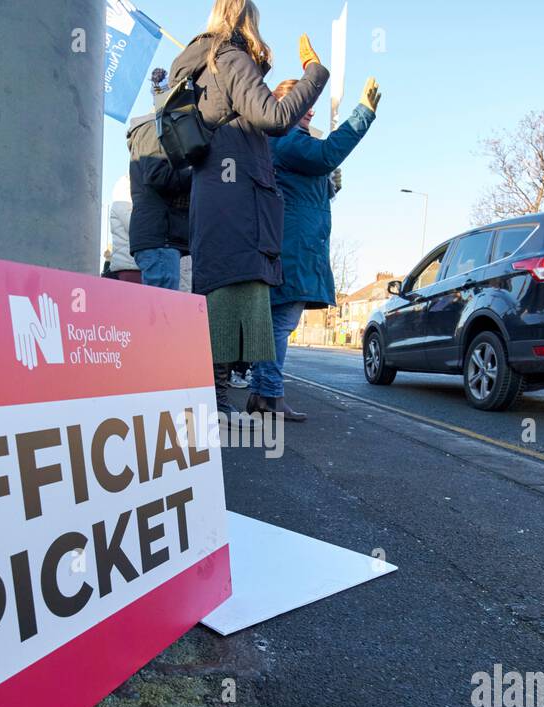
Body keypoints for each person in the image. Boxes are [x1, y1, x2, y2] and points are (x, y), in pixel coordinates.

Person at [168, 0, 329, 415]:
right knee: (233, 299)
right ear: (247, 21)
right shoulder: (230, 58)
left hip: (217, 198)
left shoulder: (205, 62)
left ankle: (216, 402)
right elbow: (274, 116)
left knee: (224, 297)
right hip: (239, 202)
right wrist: (314, 75)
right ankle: (216, 405)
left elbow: (240, 110)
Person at [247, 77, 381, 421]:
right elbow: (324, 155)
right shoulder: (286, 138)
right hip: (293, 246)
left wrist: (328, 187)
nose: (310, 109)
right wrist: (362, 113)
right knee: (280, 324)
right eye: (302, 101)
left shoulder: (283, 140)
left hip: (295, 243)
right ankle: (270, 397)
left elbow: (304, 184)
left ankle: (264, 394)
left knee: (277, 322)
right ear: (282, 105)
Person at [128, 69, 192, 290]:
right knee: (162, 314)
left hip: (163, 237)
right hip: (160, 237)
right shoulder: (154, 128)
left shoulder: (157, 128)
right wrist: (197, 173)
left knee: (162, 313)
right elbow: (157, 175)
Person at [107, 176, 142, 283]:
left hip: (132, 265)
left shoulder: (123, 204)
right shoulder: (123, 203)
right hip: (129, 266)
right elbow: (135, 227)